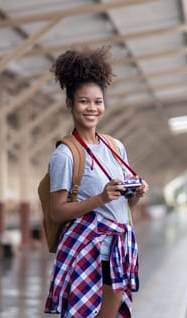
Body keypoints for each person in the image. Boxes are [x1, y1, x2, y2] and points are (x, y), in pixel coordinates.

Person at [44, 46, 149, 318]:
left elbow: (125, 205)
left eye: (98, 101)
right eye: (84, 101)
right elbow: (57, 211)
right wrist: (100, 198)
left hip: (119, 247)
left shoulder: (115, 146)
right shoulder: (66, 154)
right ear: (70, 104)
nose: (92, 108)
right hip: (87, 249)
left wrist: (136, 192)